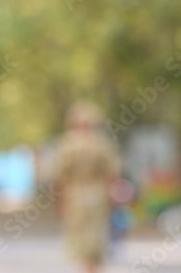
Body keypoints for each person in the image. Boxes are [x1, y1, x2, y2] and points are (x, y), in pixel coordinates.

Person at [56, 101, 121, 273]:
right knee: (91, 238)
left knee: (87, 239)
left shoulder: (68, 144)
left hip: (80, 195)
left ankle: (89, 268)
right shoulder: (103, 144)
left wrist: (62, 201)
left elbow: (62, 177)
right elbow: (112, 174)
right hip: (91, 195)